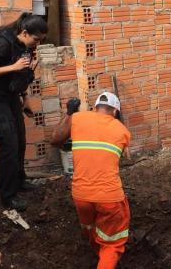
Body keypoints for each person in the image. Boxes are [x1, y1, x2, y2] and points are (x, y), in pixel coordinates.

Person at [50, 92, 131, 269]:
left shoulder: (78, 118)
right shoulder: (123, 131)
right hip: (109, 198)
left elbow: (55, 139)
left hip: (81, 196)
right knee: (113, 245)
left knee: (90, 227)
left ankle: (99, 254)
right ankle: (106, 259)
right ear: (115, 112)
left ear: (95, 108)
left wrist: (70, 113)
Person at [0, 13, 48, 211]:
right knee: (9, 144)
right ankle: (8, 196)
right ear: (24, 32)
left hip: (11, 97)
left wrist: (25, 99)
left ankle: (19, 181)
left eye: (41, 40)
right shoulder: (3, 43)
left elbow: (21, 74)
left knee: (20, 140)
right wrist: (13, 66)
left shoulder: (25, 46)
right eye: (36, 39)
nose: (38, 44)